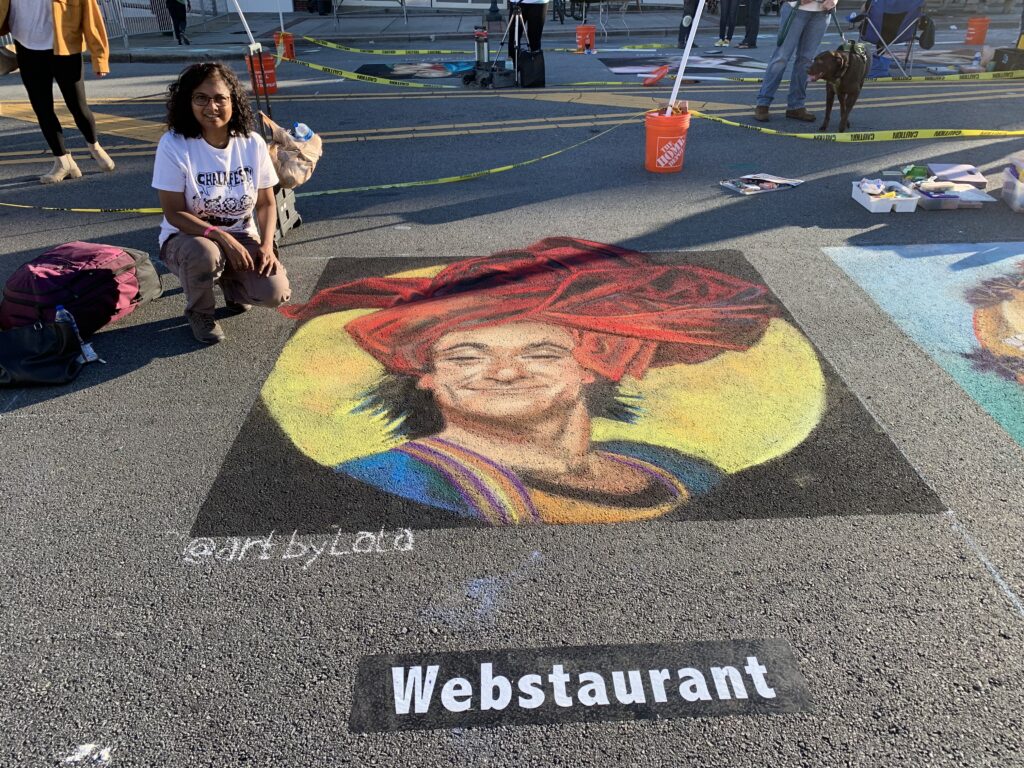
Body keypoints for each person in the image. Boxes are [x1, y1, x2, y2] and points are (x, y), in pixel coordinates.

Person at [281, 238, 780, 527]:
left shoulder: (677, 470)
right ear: (426, 377)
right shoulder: (385, 480)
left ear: (590, 365)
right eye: (467, 355)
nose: (504, 372)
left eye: (541, 352)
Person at [153, 62, 290, 345]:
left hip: (241, 233)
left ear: (233, 101)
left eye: (219, 98)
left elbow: (265, 203)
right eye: (200, 98)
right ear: (187, 102)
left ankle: (232, 285)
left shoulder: (252, 143)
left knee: (274, 292)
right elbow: (174, 212)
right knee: (206, 254)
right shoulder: (174, 144)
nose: (211, 106)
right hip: (188, 238)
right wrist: (221, 238)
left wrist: (266, 246)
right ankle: (201, 312)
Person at [0, 0, 115, 184]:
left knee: (77, 105)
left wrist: (100, 58)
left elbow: (91, 16)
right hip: (26, 50)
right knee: (42, 109)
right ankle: (62, 161)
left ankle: (94, 146)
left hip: (65, 48)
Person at [753, 0, 836, 123]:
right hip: (796, 8)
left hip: (822, 13)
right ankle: (763, 103)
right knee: (781, 58)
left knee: (806, 60)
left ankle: (796, 105)